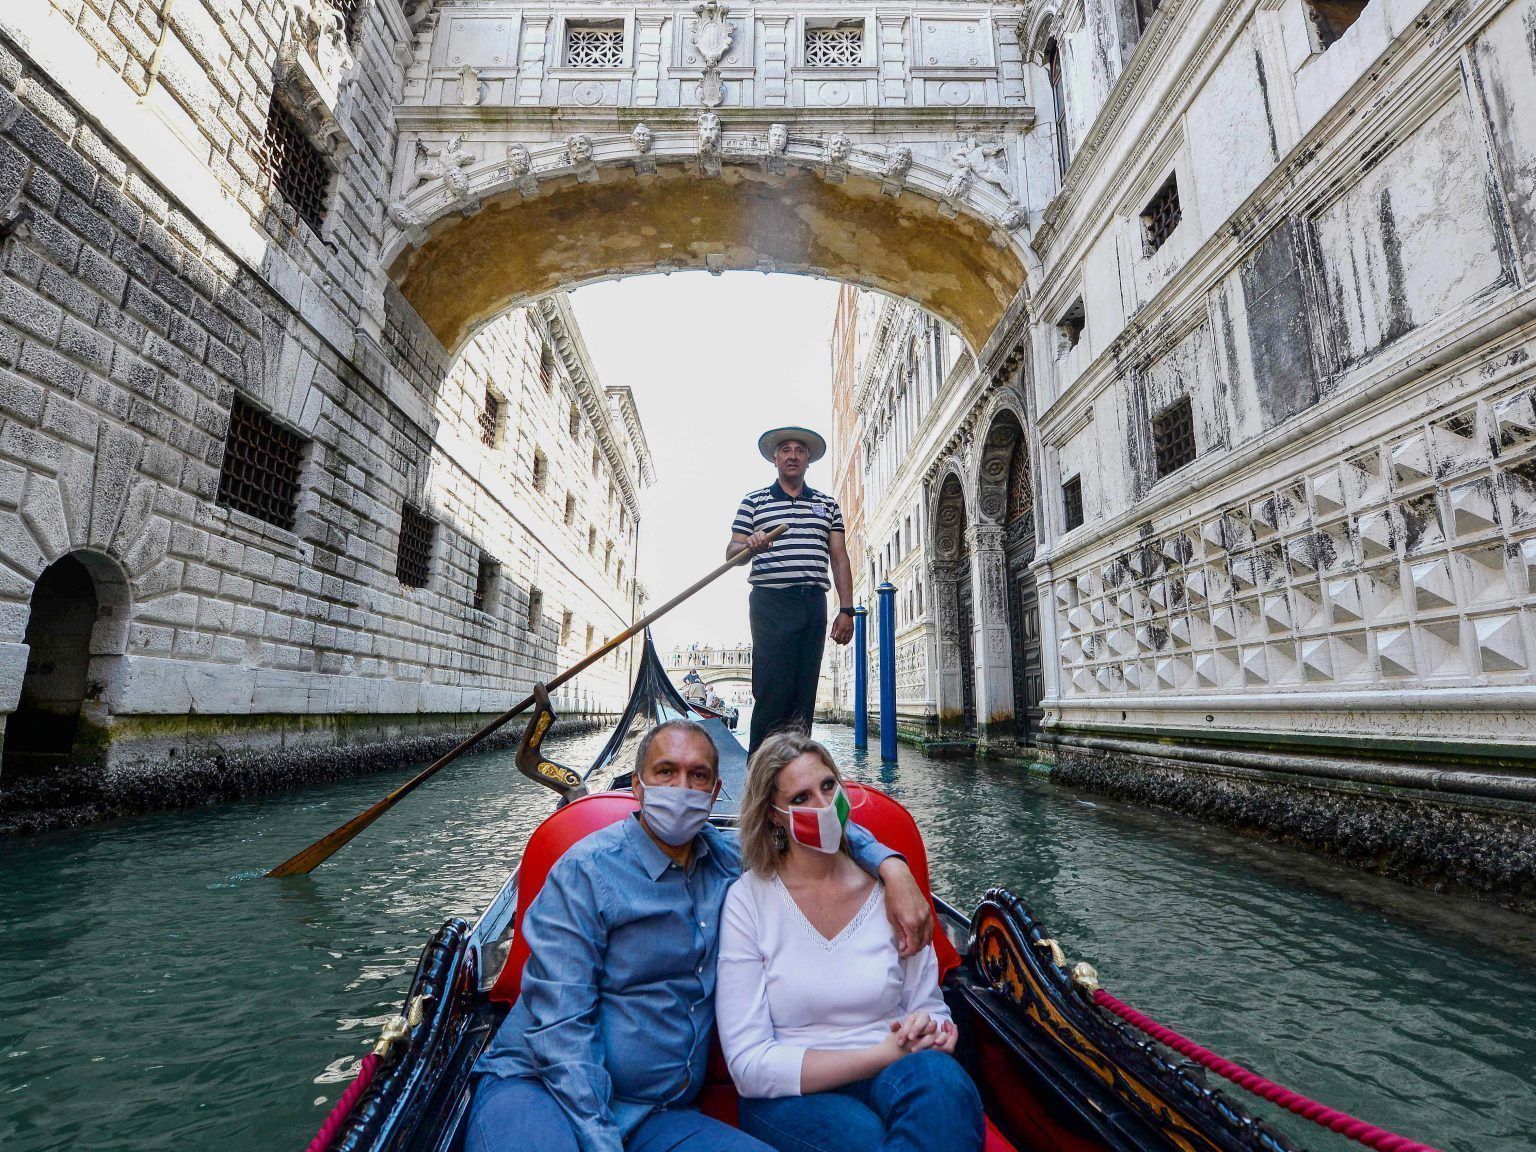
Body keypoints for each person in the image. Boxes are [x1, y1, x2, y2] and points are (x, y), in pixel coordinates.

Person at [466, 719, 935, 1152]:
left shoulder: (731, 864)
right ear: (638, 786)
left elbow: (815, 831)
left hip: (657, 1113)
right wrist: (600, 1141)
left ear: (715, 793)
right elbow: (561, 1026)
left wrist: (892, 867)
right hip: (541, 1087)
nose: (681, 788)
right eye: (666, 772)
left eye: (698, 776)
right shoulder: (584, 873)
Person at [715, 732, 985, 1152]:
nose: (824, 806)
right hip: (793, 1092)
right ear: (773, 816)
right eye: (801, 798)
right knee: (870, 1141)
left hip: (898, 1072)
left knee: (944, 1082)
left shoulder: (894, 895)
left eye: (828, 786)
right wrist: (886, 1053)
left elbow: (928, 1004)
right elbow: (749, 1065)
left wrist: (933, 1029)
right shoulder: (747, 901)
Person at [727, 427, 855, 754]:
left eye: (800, 450)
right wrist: (751, 545)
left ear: (808, 460)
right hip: (770, 603)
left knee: (803, 693)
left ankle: (796, 769)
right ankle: (761, 768)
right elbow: (732, 554)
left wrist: (846, 609)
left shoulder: (827, 505)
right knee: (772, 690)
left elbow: (839, 557)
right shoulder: (753, 501)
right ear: (775, 459)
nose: (793, 455)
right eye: (786, 450)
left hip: (813, 602)